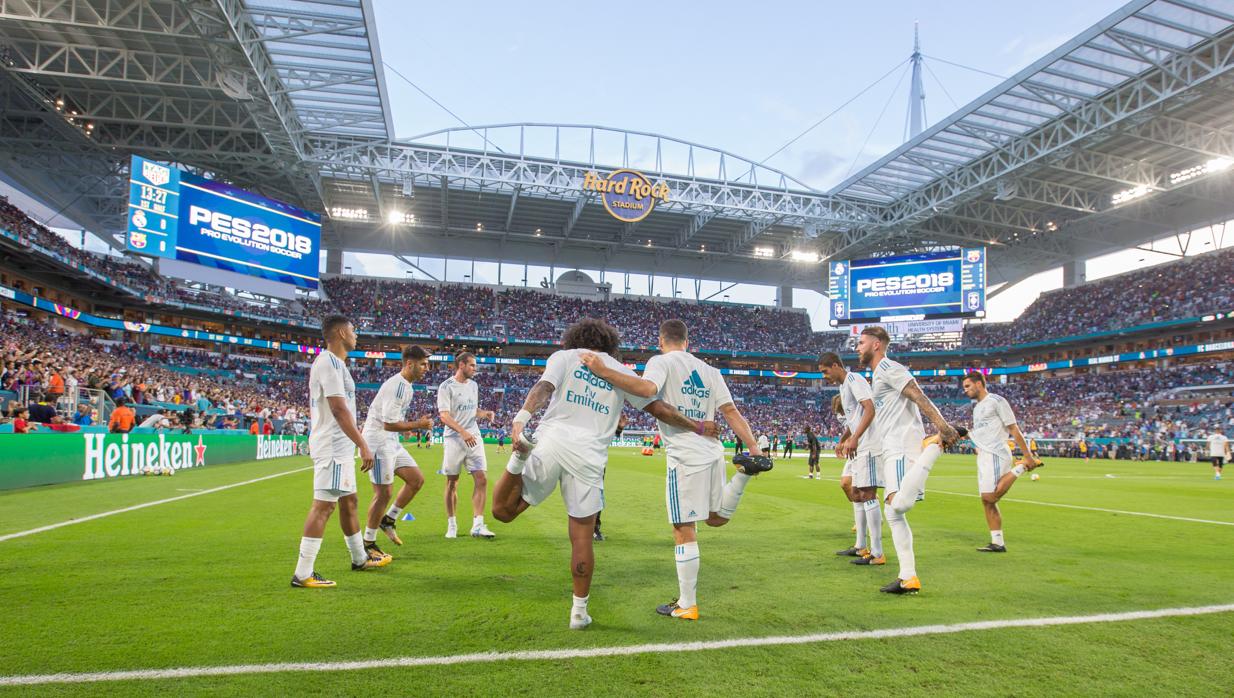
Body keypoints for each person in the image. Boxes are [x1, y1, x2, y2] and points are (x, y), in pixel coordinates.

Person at [491, 318, 722, 630]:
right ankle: (578, 613)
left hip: (552, 442)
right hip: (589, 458)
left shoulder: (563, 357)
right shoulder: (621, 371)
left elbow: (543, 387)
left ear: (575, 339)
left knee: (504, 511)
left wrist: (521, 418)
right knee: (582, 536)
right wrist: (697, 425)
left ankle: (518, 459)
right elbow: (659, 409)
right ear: (610, 343)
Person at [578, 319, 772, 621]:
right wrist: (755, 450)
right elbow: (730, 411)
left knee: (683, 530)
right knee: (716, 518)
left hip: (684, 455)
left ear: (661, 340)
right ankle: (744, 473)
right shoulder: (709, 371)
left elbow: (647, 388)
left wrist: (604, 371)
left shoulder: (661, 361)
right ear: (687, 341)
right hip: (712, 453)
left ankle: (686, 604)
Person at [857, 326, 959, 595]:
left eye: (862, 342)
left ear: (876, 344)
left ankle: (934, 447)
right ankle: (908, 577)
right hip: (892, 446)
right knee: (893, 511)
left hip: (902, 444)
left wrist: (942, 426)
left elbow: (916, 393)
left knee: (899, 506)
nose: (857, 347)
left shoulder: (890, 367)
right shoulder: (878, 374)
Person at [290, 315, 387, 589]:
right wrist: (363, 444)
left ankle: (359, 557)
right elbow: (338, 409)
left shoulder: (338, 364)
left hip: (340, 448)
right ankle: (302, 573)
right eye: (353, 330)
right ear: (342, 332)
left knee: (350, 501)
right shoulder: (328, 363)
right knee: (324, 506)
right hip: (333, 447)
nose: (356, 335)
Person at [363, 344, 434, 555]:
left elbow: (393, 422)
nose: (426, 368)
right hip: (378, 442)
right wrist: (417, 425)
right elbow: (387, 423)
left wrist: (406, 430)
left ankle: (389, 520)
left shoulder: (407, 386)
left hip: (391, 441)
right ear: (409, 364)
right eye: (423, 364)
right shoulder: (399, 387)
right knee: (383, 494)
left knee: (416, 480)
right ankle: (368, 543)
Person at [961, 371, 1042, 552]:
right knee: (987, 501)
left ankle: (1022, 466)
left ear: (979, 384)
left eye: (967, 386)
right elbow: (983, 431)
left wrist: (1027, 456)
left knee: (990, 496)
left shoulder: (997, 401)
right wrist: (977, 445)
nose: (965, 390)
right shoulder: (977, 407)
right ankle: (997, 542)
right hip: (984, 453)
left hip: (996, 453)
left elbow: (1013, 428)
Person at [820, 352, 882, 565]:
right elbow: (854, 418)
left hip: (869, 444)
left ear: (836, 365)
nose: (824, 376)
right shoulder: (843, 386)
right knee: (854, 491)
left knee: (867, 493)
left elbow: (870, 409)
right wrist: (844, 438)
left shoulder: (855, 379)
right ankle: (860, 545)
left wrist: (855, 437)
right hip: (858, 444)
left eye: (825, 371)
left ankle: (877, 553)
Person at [437, 352, 498, 539]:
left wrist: (484, 414)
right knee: (452, 482)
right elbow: (444, 415)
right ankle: (452, 525)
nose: (475, 368)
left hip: (474, 436)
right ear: (461, 365)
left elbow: (472, 411)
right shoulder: (446, 387)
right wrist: (462, 432)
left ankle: (478, 525)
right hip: (455, 439)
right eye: (472, 365)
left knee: (482, 479)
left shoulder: (474, 385)